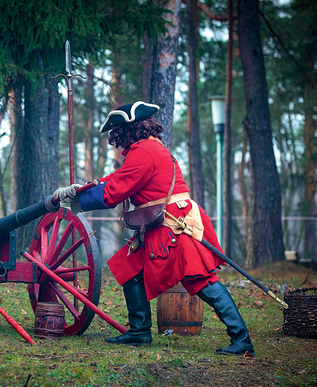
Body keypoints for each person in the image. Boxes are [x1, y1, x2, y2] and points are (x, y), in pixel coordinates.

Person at [53, 101, 254, 356]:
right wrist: (80, 190)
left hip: (175, 226)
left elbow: (115, 191)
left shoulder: (144, 152)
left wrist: (78, 200)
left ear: (129, 130)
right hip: (165, 223)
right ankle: (139, 331)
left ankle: (241, 339)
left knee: (202, 280)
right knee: (128, 267)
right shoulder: (148, 149)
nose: (118, 142)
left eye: (119, 135)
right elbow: (116, 179)